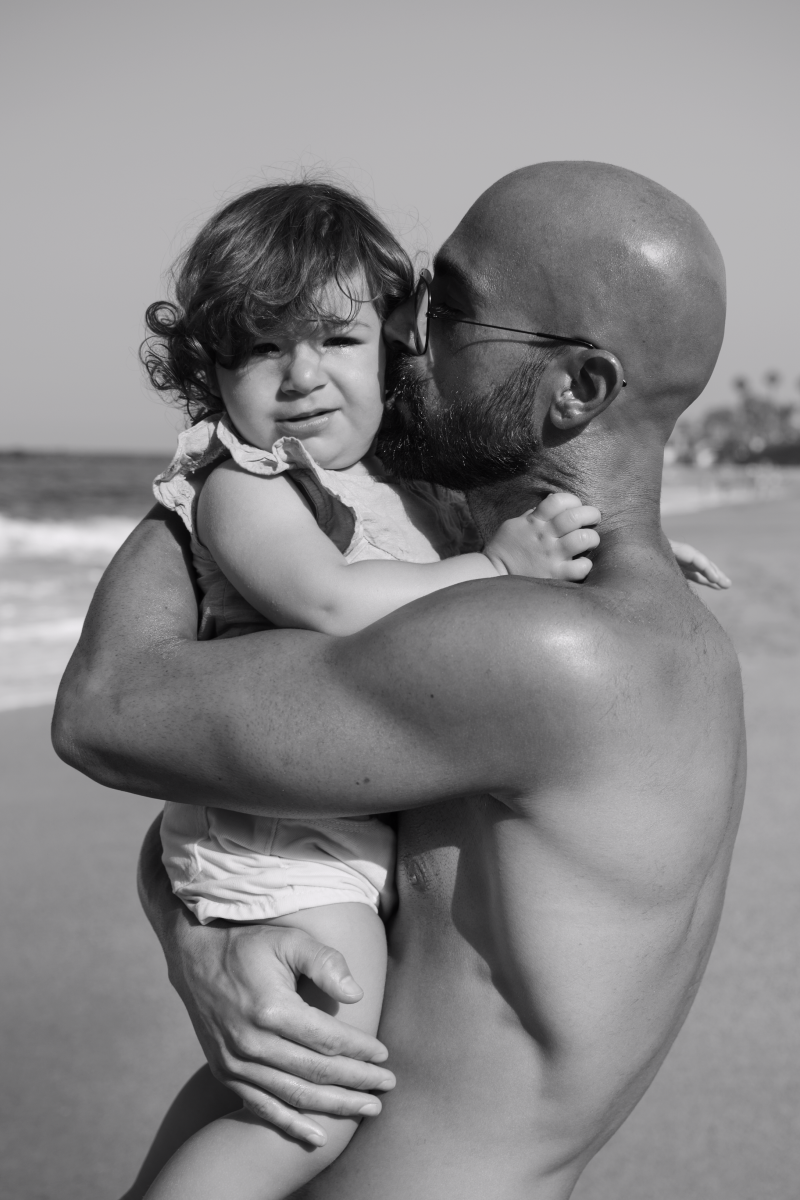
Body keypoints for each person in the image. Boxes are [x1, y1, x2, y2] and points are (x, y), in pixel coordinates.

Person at [54, 161, 745, 1200]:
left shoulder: (532, 646)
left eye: (447, 308)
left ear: (576, 388)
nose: (400, 334)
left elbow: (106, 712)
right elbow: (249, 814)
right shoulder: (659, 632)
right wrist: (198, 941)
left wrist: (208, 474)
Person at [136, 181, 612, 1200]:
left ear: (393, 339)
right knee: (314, 1097)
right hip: (272, 833)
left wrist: (609, 556)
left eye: (334, 340)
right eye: (261, 347)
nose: (301, 376)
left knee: (260, 1085)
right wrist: (493, 572)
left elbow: (487, 543)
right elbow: (330, 603)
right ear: (209, 366)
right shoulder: (247, 483)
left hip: (328, 827)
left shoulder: (400, 485)